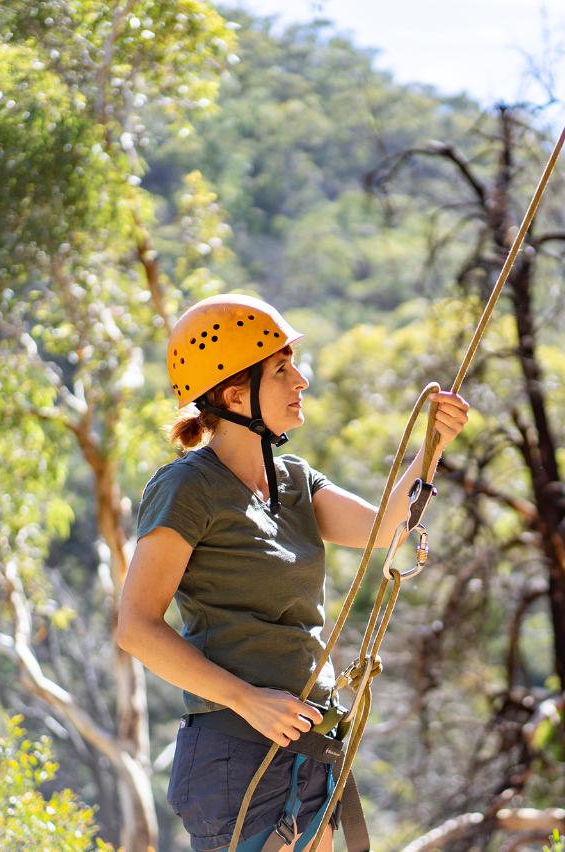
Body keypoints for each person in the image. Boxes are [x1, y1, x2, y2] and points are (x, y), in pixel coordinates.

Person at [116, 294, 470, 852]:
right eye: (281, 369)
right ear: (235, 394)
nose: (301, 380)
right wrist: (245, 699)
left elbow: (385, 528)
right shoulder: (187, 487)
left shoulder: (295, 481)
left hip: (306, 744)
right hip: (237, 753)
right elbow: (136, 627)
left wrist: (432, 446)